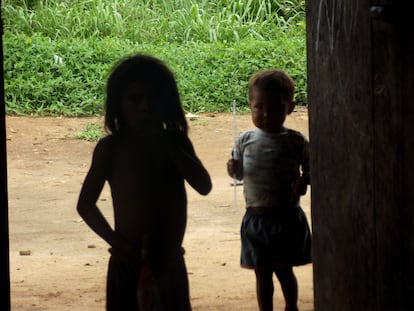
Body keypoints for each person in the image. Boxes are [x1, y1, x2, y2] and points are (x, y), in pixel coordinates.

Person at [77, 53, 212, 310]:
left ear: (167, 103)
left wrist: (171, 148)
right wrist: (116, 243)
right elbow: (85, 205)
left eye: (153, 98)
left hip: (168, 262)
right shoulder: (111, 149)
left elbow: (204, 186)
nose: (145, 107)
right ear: (119, 104)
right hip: (126, 264)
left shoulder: (177, 143)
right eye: (135, 99)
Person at [227, 69, 311, 311]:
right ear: (250, 106)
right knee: (262, 273)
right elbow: (240, 174)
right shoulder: (244, 140)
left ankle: (291, 307)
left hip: (287, 217)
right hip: (256, 218)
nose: (265, 114)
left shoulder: (297, 141)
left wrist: (304, 182)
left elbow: (311, 168)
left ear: (290, 107)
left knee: (284, 270)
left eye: (275, 108)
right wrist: (233, 168)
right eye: (259, 107)